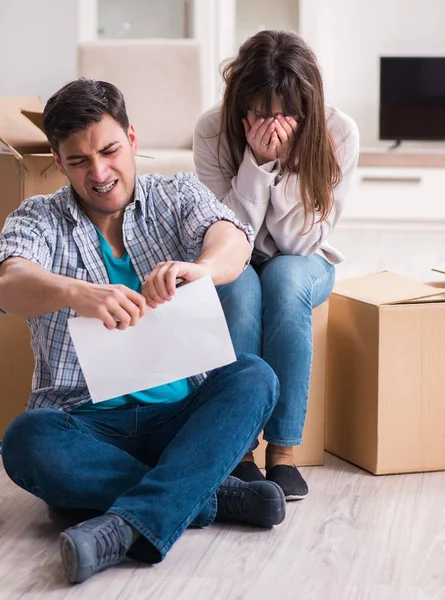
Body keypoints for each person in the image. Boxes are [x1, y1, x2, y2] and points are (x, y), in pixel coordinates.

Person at [0, 78, 286, 585]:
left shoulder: (175, 194)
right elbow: (6, 282)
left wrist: (203, 269)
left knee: (254, 377)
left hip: (179, 417)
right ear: (59, 163)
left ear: (131, 137)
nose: (99, 173)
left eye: (109, 150)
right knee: (24, 441)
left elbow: (232, 238)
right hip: (85, 426)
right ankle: (205, 493)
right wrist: (75, 292)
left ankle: (127, 522)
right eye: (78, 161)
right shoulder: (38, 218)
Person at [193, 30, 360, 500]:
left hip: (306, 259)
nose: (275, 123)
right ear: (240, 105)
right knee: (241, 289)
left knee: (285, 281)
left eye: (287, 113)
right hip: (236, 257)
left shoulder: (338, 132)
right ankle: (241, 452)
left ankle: (283, 453)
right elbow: (229, 238)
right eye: (262, 113)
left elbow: (299, 241)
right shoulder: (211, 132)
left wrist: (282, 166)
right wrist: (256, 165)